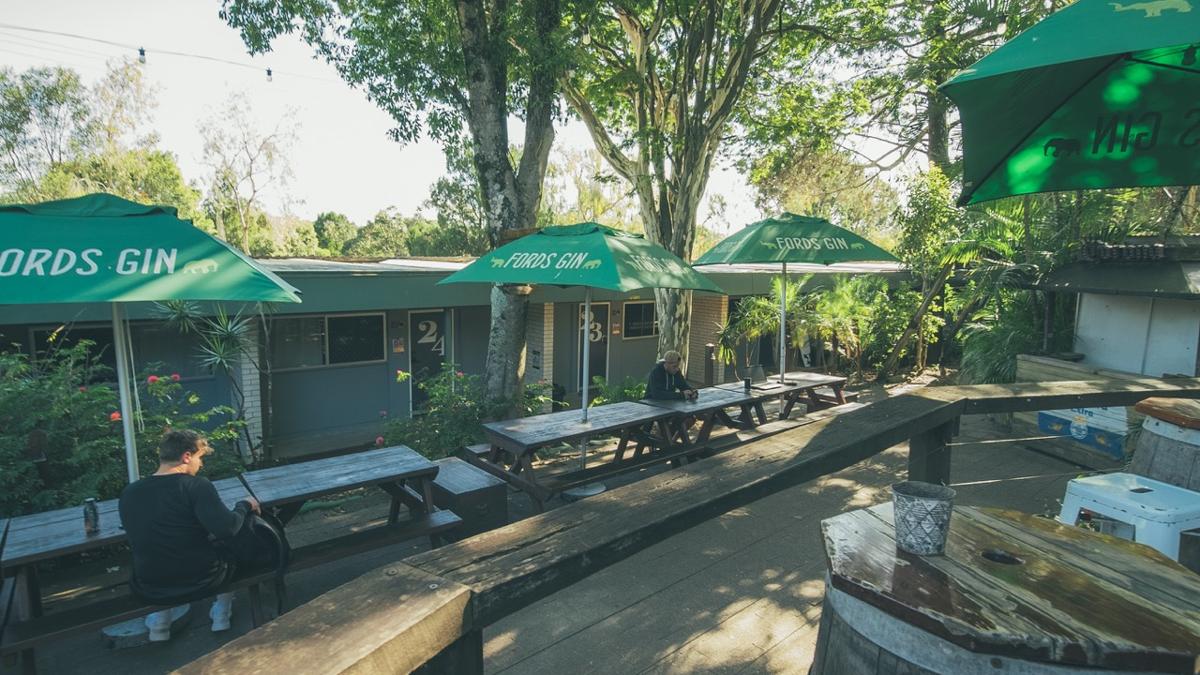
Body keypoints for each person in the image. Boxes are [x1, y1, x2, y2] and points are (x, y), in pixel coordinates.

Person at [118, 430, 262, 642]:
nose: (200, 464)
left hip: (149, 584)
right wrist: (244, 505)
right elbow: (228, 528)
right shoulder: (195, 485)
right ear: (186, 456)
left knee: (162, 547)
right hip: (202, 580)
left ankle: (160, 621)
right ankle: (222, 611)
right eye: (199, 457)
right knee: (233, 544)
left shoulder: (129, 492)